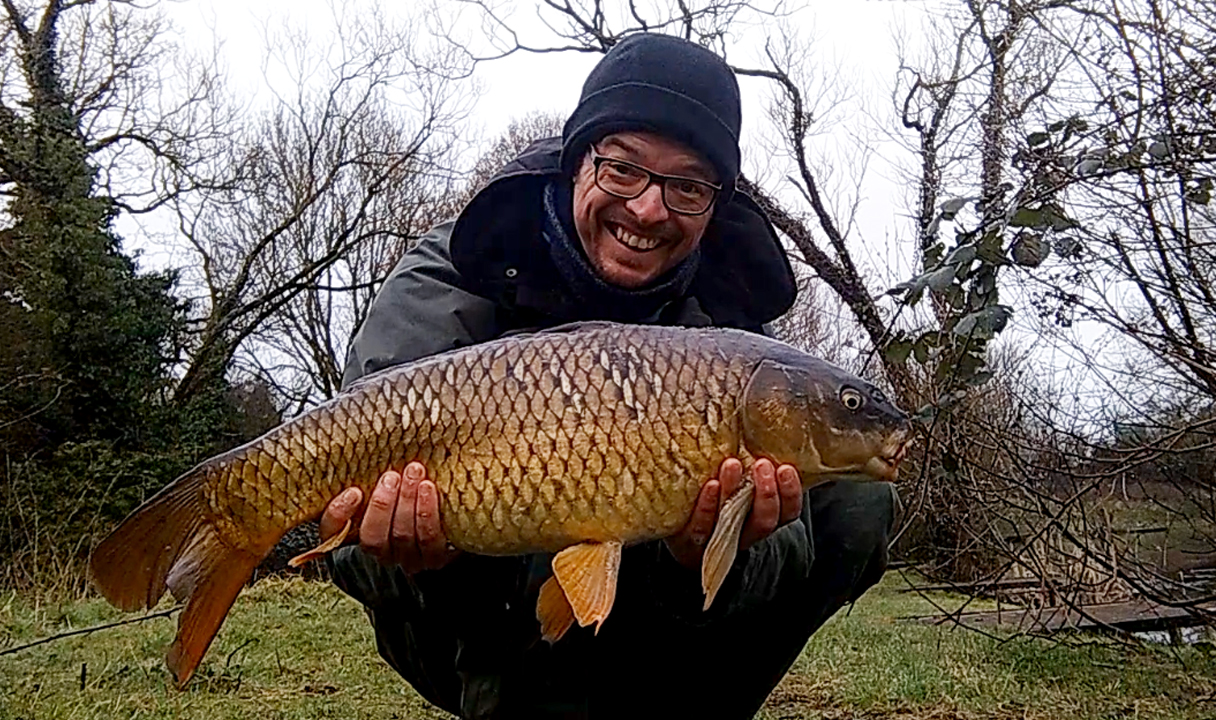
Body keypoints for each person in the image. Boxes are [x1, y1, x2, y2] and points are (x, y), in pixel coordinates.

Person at [320, 33, 897, 720]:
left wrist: (703, 557)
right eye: (623, 169)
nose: (648, 209)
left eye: (686, 186)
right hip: (462, 610)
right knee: (546, 506)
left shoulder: (730, 325)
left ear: (714, 205)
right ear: (577, 164)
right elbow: (346, 524)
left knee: (856, 504)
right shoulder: (460, 265)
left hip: (657, 615)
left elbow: (788, 558)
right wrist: (428, 553)